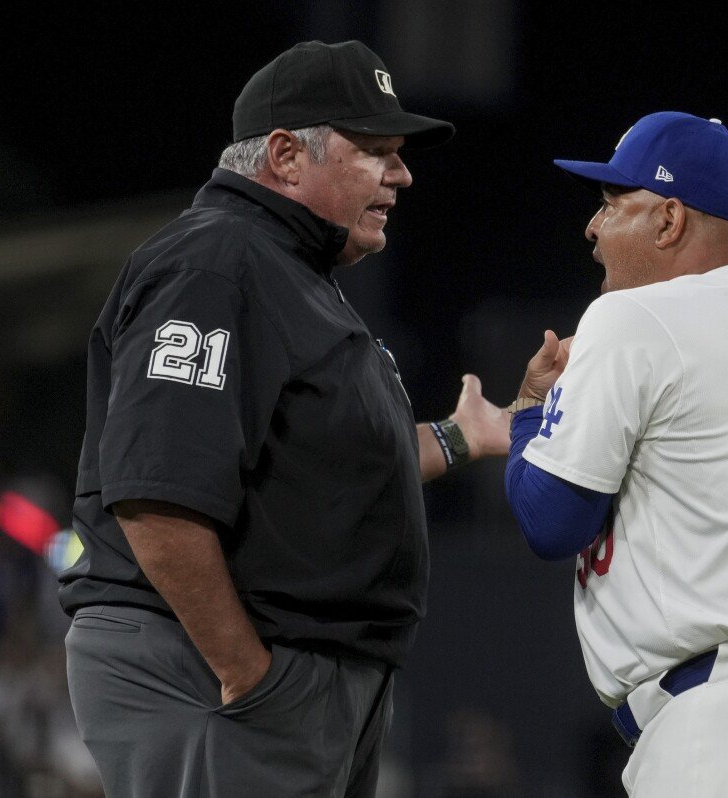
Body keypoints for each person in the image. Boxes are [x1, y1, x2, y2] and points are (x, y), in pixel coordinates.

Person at [59, 40, 509, 797]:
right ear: (285, 156)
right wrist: (245, 671)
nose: (401, 174)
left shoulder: (286, 271)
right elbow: (156, 493)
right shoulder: (213, 263)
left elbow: (327, 470)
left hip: (289, 674)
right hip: (208, 666)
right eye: (376, 151)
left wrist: (462, 436)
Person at [504, 111, 728, 796]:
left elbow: (550, 521)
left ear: (669, 220)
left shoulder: (637, 315)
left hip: (720, 729)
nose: (593, 226)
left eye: (613, 203)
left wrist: (529, 412)